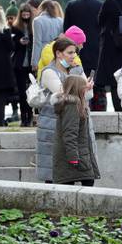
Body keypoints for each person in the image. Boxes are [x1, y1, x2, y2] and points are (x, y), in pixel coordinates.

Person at [36, 37, 80, 184]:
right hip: (51, 123)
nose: (74, 56)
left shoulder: (73, 70)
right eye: (70, 52)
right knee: (51, 167)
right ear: (59, 54)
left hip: (67, 122)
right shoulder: (49, 72)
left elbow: (88, 94)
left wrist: (78, 72)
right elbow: (62, 93)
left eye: (75, 52)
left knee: (65, 168)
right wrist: (80, 85)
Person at [53, 74, 99, 186]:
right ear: (77, 88)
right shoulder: (72, 105)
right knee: (86, 184)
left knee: (86, 182)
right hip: (74, 157)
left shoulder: (75, 104)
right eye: (83, 87)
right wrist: (73, 158)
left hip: (79, 154)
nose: (85, 89)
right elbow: (70, 133)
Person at [64, 0, 103, 77]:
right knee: (94, 78)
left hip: (76, 47)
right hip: (96, 46)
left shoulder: (72, 5)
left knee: (77, 76)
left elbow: (66, 29)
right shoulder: (101, 5)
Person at [10, 3, 35, 126]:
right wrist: (19, 42)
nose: (25, 16)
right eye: (23, 14)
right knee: (21, 92)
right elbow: (11, 45)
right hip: (19, 63)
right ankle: (23, 117)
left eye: (27, 13)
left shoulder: (33, 26)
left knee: (31, 91)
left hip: (30, 63)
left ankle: (30, 116)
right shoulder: (15, 27)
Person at [31, 0, 64, 71]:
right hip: (56, 52)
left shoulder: (37, 20)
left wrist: (34, 62)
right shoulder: (60, 20)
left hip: (43, 53)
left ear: (42, 8)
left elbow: (37, 42)